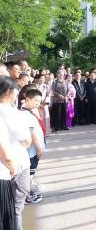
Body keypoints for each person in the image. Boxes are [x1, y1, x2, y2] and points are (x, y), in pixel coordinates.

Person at [0, 76, 31, 230]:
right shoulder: (11, 113)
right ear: (9, 92)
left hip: (6, 167)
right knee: (16, 209)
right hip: (14, 164)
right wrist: (10, 164)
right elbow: (26, 141)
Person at [20, 89, 45, 204]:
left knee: (31, 173)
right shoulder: (25, 114)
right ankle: (27, 196)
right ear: (27, 99)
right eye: (35, 100)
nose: (37, 103)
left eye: (39, 101)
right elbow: (32, 133)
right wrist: (39, 149)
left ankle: (28, 192)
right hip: (31, 151)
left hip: (32, 151)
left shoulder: (29, 111)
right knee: (29, 174)